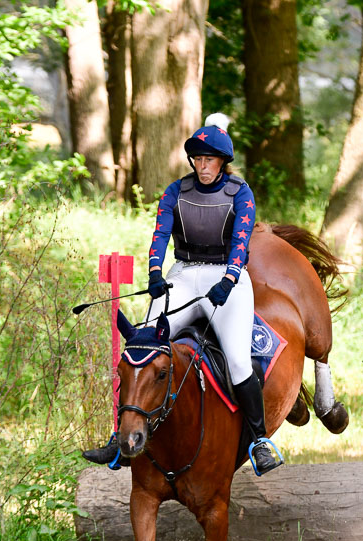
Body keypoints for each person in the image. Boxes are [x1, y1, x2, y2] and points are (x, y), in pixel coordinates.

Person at [84, 114, 279, 474]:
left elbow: (241, 240)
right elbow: (160, 234)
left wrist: (231, 277)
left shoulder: (241, 193)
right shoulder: (176, 191)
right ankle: (119, 439)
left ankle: (259, 440)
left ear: (222, 162)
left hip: (226, 275)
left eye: (210, 160)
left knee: (237, 360)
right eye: (199, 160)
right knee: (141, 348)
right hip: (184, 272)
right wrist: (155, 272)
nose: (203, 166)